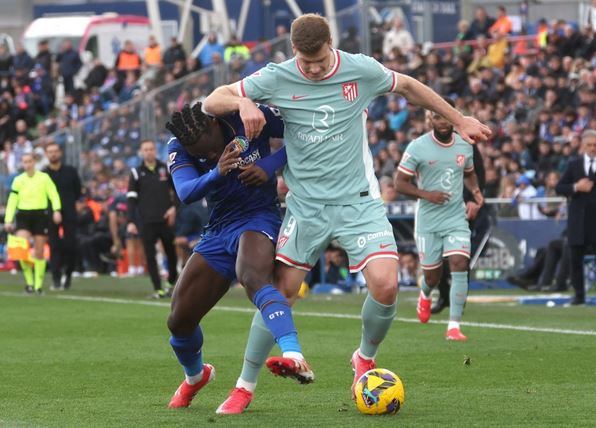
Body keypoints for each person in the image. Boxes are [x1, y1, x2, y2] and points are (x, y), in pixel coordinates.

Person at [203, 13, 491, 412]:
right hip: (306, 206)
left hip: (358, 202)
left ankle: (364, 358)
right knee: (281, 293)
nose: (314, 69)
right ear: (294, 51)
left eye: (320, 60)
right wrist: (243, 101)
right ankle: (244, 386)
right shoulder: (276, 76)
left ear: (331, 45)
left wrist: (459, 121)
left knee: (386, 286)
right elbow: (211, 100)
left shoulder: (360, 69)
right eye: (306, 62)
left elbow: (409, 86)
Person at [164, 103, 311, 411]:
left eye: (211, 149)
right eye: (202, 155)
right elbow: (186, 191)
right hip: (219, 229)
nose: (210, 155)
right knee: (179, 321)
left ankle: (294, 355)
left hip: (258, 216)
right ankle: (195, 377)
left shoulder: (248, 118)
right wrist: (216, 172)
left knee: (252, 277)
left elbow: (304, 135)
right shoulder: (179, 143)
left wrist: (269, 165)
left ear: (215, 124)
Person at [395, 97, 484, 341]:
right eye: (437, 116)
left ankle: (454, 326)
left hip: (455, 217)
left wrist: (476, 192)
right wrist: (427, 194)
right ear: (429, 119)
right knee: (432, 276)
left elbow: (469, 173)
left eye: (446, 116)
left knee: (459, 263)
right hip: (428, 221)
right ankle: (425, 294)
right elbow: (399, 183)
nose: (442, 121)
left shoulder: (464, 144)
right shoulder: (417, 147)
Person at [432, 139, 488, 314]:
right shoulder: (429, 143)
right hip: (439, 205)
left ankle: (458, 299)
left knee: (460, 255)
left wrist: (474, 200)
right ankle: (443, 294)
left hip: (462, 206)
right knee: (436, 253)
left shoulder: (465, 142)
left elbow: (478, 172)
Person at [4, 153, 62, 294]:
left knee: (39, 251)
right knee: (22, 250)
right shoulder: (18, 180)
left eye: (30, 161)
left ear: (34, 162)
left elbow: (53, 194)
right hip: (23, 215)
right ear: (22, 164)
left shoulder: (44, 178)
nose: (28, 164)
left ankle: (38, 286)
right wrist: (8, 219)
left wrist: (57, 210)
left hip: (40, 215)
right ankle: (29, 283)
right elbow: (12, 200)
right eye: (25, 162)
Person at [126, 140, 178, 298]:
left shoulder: (165, 169)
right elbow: (131, 199)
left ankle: (171, 283)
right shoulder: (136, 172)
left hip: (165, 220)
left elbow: (178, 190)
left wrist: (174, 208)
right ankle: (158, 289)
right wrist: (131, 221)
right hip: (146, 221)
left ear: (155, 150)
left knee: (171, 253)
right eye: (146, 149)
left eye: (151, 149)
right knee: (150, 256)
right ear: (141, 152)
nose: (149, 152)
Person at [555, 129, 596, 305]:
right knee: (575, 260)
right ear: (583, 146)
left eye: (595, 145)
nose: (593, 148)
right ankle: (579, 296)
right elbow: (559, 188)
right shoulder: (574, 165)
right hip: (578, 222)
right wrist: (576, 187)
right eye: (589, 145)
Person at [43, 142, 82, 290]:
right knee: (54, 246)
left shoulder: (70, 171)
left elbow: (77, 191)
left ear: (60, 153)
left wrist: (68, 205)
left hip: (69, 213)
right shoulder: (43, 174)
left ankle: (68, 274)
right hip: (50, 214)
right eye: (50, 151)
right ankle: (56, 278)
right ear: (46, 154)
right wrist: (52, 211)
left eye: (55, 151)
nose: (53, 154)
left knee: (71, 245)